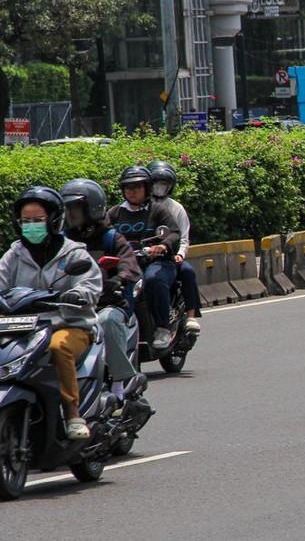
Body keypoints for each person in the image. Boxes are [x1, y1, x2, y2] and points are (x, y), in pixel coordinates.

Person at [0, 187, 102, 440]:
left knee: (59, 348)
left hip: (69, 324)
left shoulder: (73, 253)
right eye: (26, 221)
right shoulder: (13, 256)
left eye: (38, 220)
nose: (31, 226)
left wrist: (78, 294)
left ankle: (72, 412)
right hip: (22, 328)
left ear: (54, 220)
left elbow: (90, 283)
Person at [60, 179, 142, 401]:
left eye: (74, 209)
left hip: (107, 303)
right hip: (69, 307)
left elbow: (130, 265)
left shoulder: (111, 237)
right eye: (66, 209)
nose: (70, 214)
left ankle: (119, 381)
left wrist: (119, 279)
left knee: (107, 321)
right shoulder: (61, 241)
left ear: (92, 208)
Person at [107, 166, 181, 350]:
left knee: (153, 280)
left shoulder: (157, 211)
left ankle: (162, 327)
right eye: (128, 187)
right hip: (126, 263)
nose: (132, 191)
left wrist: (163, 246)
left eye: (137, 187)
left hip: (155, 262)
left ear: (147, 188)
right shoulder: (114, 213)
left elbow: (174, 233)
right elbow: (101, 234)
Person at [147, 161, 201, 334]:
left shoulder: (176, 208)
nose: (159, 188)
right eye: (156, 184)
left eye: (164, 185)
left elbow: (183, 236)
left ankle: (191, 316)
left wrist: (179, 254)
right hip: (143, 256)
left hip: (169, 257)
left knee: (187, 272)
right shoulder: (137, 207)